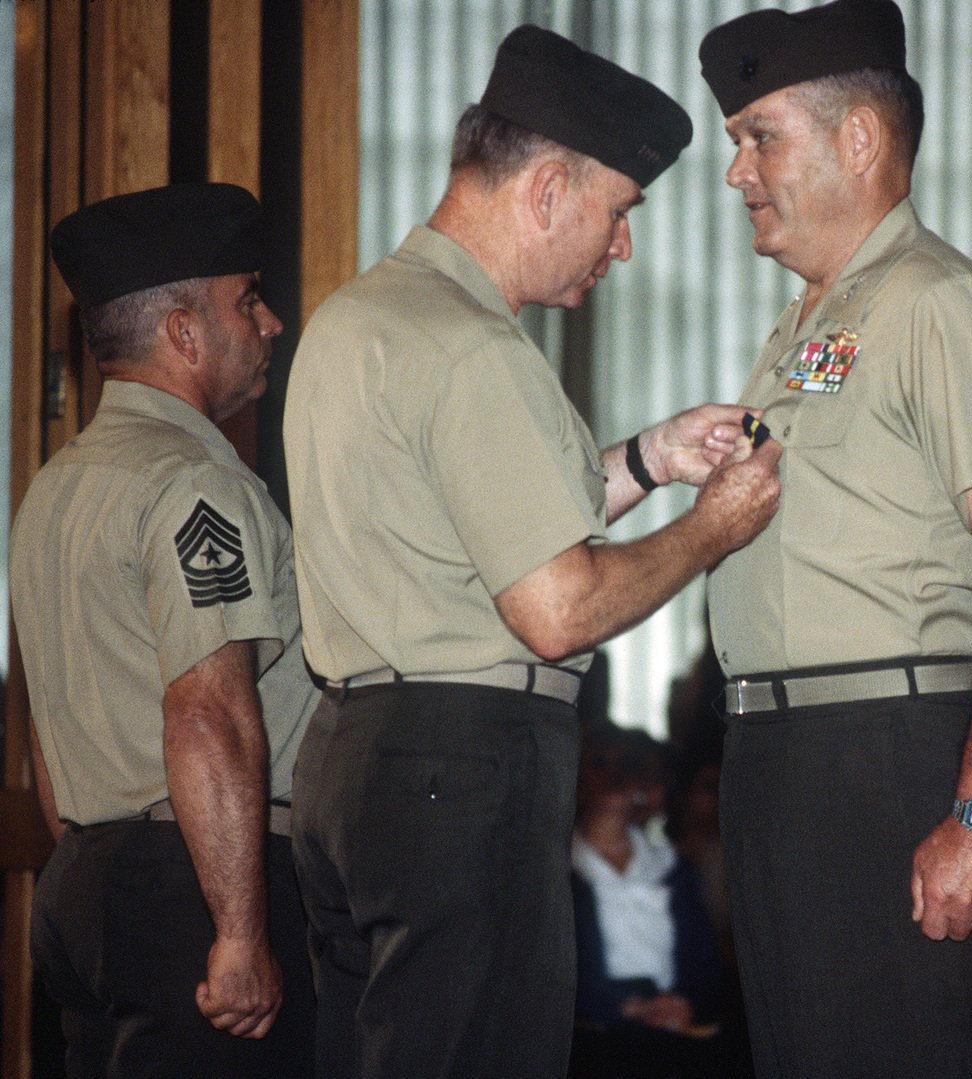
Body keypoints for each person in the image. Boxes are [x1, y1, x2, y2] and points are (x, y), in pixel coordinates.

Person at [283, 25, 782, 1079]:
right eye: (618, 212)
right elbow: (556, 606)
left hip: (351, 760)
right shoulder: (476, 349)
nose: (621, 247)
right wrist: (710, 529)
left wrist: (649, 459)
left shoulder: (365, 315)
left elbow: (466, 519)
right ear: (549, 188)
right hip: (460, 763)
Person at [696, 2, 972, 1074]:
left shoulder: (936, 302)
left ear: (858, 138)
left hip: (884, 751)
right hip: (782, 759)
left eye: (758, 136)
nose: (738, 173)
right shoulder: (816, 321)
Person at [13, 182, 316, 1076]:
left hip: (85, 878)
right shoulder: (194, 484)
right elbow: (206, 714)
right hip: (195, 880)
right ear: (183, 332)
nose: (271, 323)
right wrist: (236, 930)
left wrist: (104, 870)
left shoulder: (54, 489)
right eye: (247, 299)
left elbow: (43, 719)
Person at [569, 725, 748, 1079]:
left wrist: (685, 1003)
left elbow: (706, 964)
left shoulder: (671, 869)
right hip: (592, 1039)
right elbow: (551, 973)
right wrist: (628, 1007)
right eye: (600, 763)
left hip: (672, 1034)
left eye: (629, 764)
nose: (616, 776)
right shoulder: (558, 871)